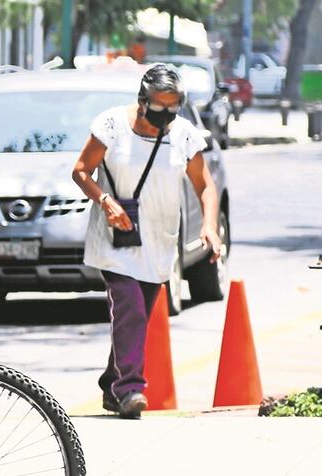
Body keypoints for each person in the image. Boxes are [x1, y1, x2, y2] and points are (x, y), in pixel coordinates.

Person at [72, 64, 222, 420]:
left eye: (174, 107)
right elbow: (80, 170)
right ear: (142, 102)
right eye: (160, 107)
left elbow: (206, 188)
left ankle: (112, 382)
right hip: (115, 237)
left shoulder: (183, 134)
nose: (167, 115)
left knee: (134, 319)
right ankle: (130, 390)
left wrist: (210, 227)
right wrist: (104, 201)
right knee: (131, 309)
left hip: (159, 240)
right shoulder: (111, 126)